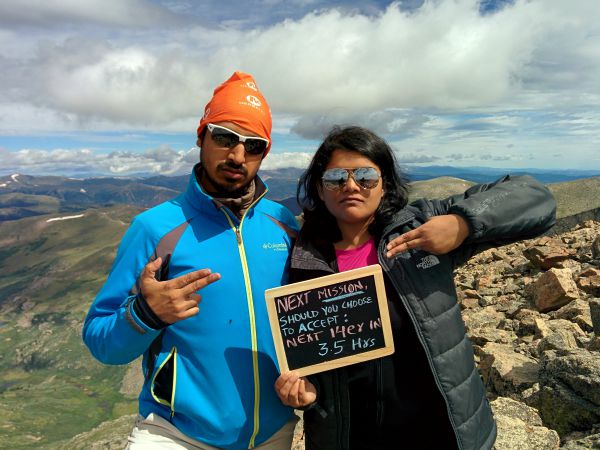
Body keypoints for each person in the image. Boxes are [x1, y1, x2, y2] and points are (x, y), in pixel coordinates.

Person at [274, 125, 556, 450]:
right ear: (320, 190)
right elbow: (313, 351)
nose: (350, 186)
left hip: (442, 431)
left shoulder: (420, 228)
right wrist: (309, 397)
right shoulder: (301, 259)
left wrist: (461, 223)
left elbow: (537, 198)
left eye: (365, 176)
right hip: (354, 438)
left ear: (385, 185)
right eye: (335, 178)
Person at [82, 72, 301, 450]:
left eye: (253, 145)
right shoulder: (154, 228)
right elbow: (101, 341)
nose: (236, 155)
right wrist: (146, 314)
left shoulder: (282, 223)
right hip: (175, 435)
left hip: (274, 435)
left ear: (264, 153)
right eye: (223, 137)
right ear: (201, 136)